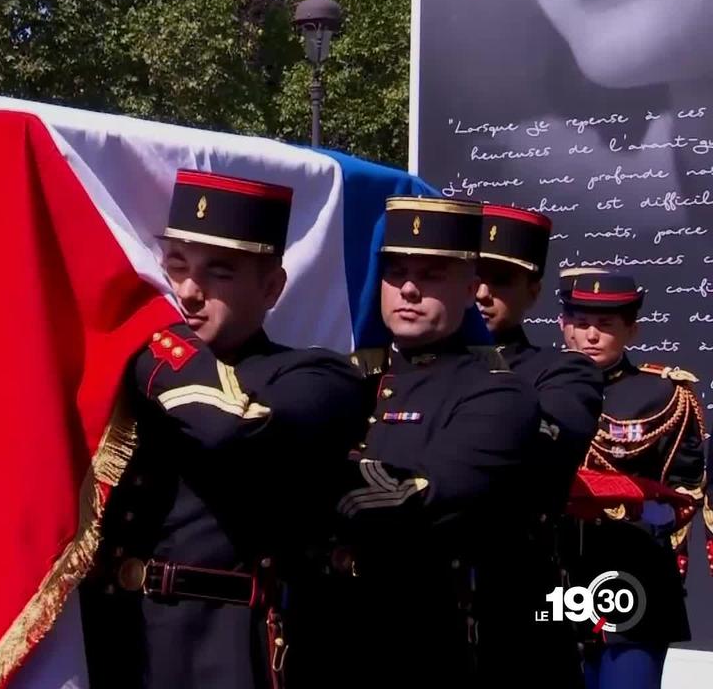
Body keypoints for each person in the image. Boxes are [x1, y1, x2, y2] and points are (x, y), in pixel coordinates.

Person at [79, 168, 367, 689]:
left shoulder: (318, 377)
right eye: (176, 266)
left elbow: (228, 428)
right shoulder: (128, 373)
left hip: (218, 644)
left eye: (220, 273)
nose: (189, 292)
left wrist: (147, 334)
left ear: (273, 286)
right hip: (109, 636)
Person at [298, 196, 543, 687]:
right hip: (318, 635)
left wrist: (300, 478)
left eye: (431, 274)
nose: (408, 288)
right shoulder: (346, 377)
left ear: (471, 288)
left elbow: (423, 496)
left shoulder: (496, 392)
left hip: (420, 640)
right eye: (395, 272)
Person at [474, 203, 605, 686]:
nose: (483, 294)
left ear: (533, 293)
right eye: (472, 278)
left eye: (502, 281)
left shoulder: (562, 372)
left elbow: (546, 447)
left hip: (517, 602)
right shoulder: (394, 368)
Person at [557, 271, 707, 689]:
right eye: (581, 323)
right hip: (553, 573)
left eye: (605, 325)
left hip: (634, 574)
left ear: (632, 329)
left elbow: (685, 489)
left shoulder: (663, 396)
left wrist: (634, 507)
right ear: (563, 324)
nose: (590, 336)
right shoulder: (533, 386)